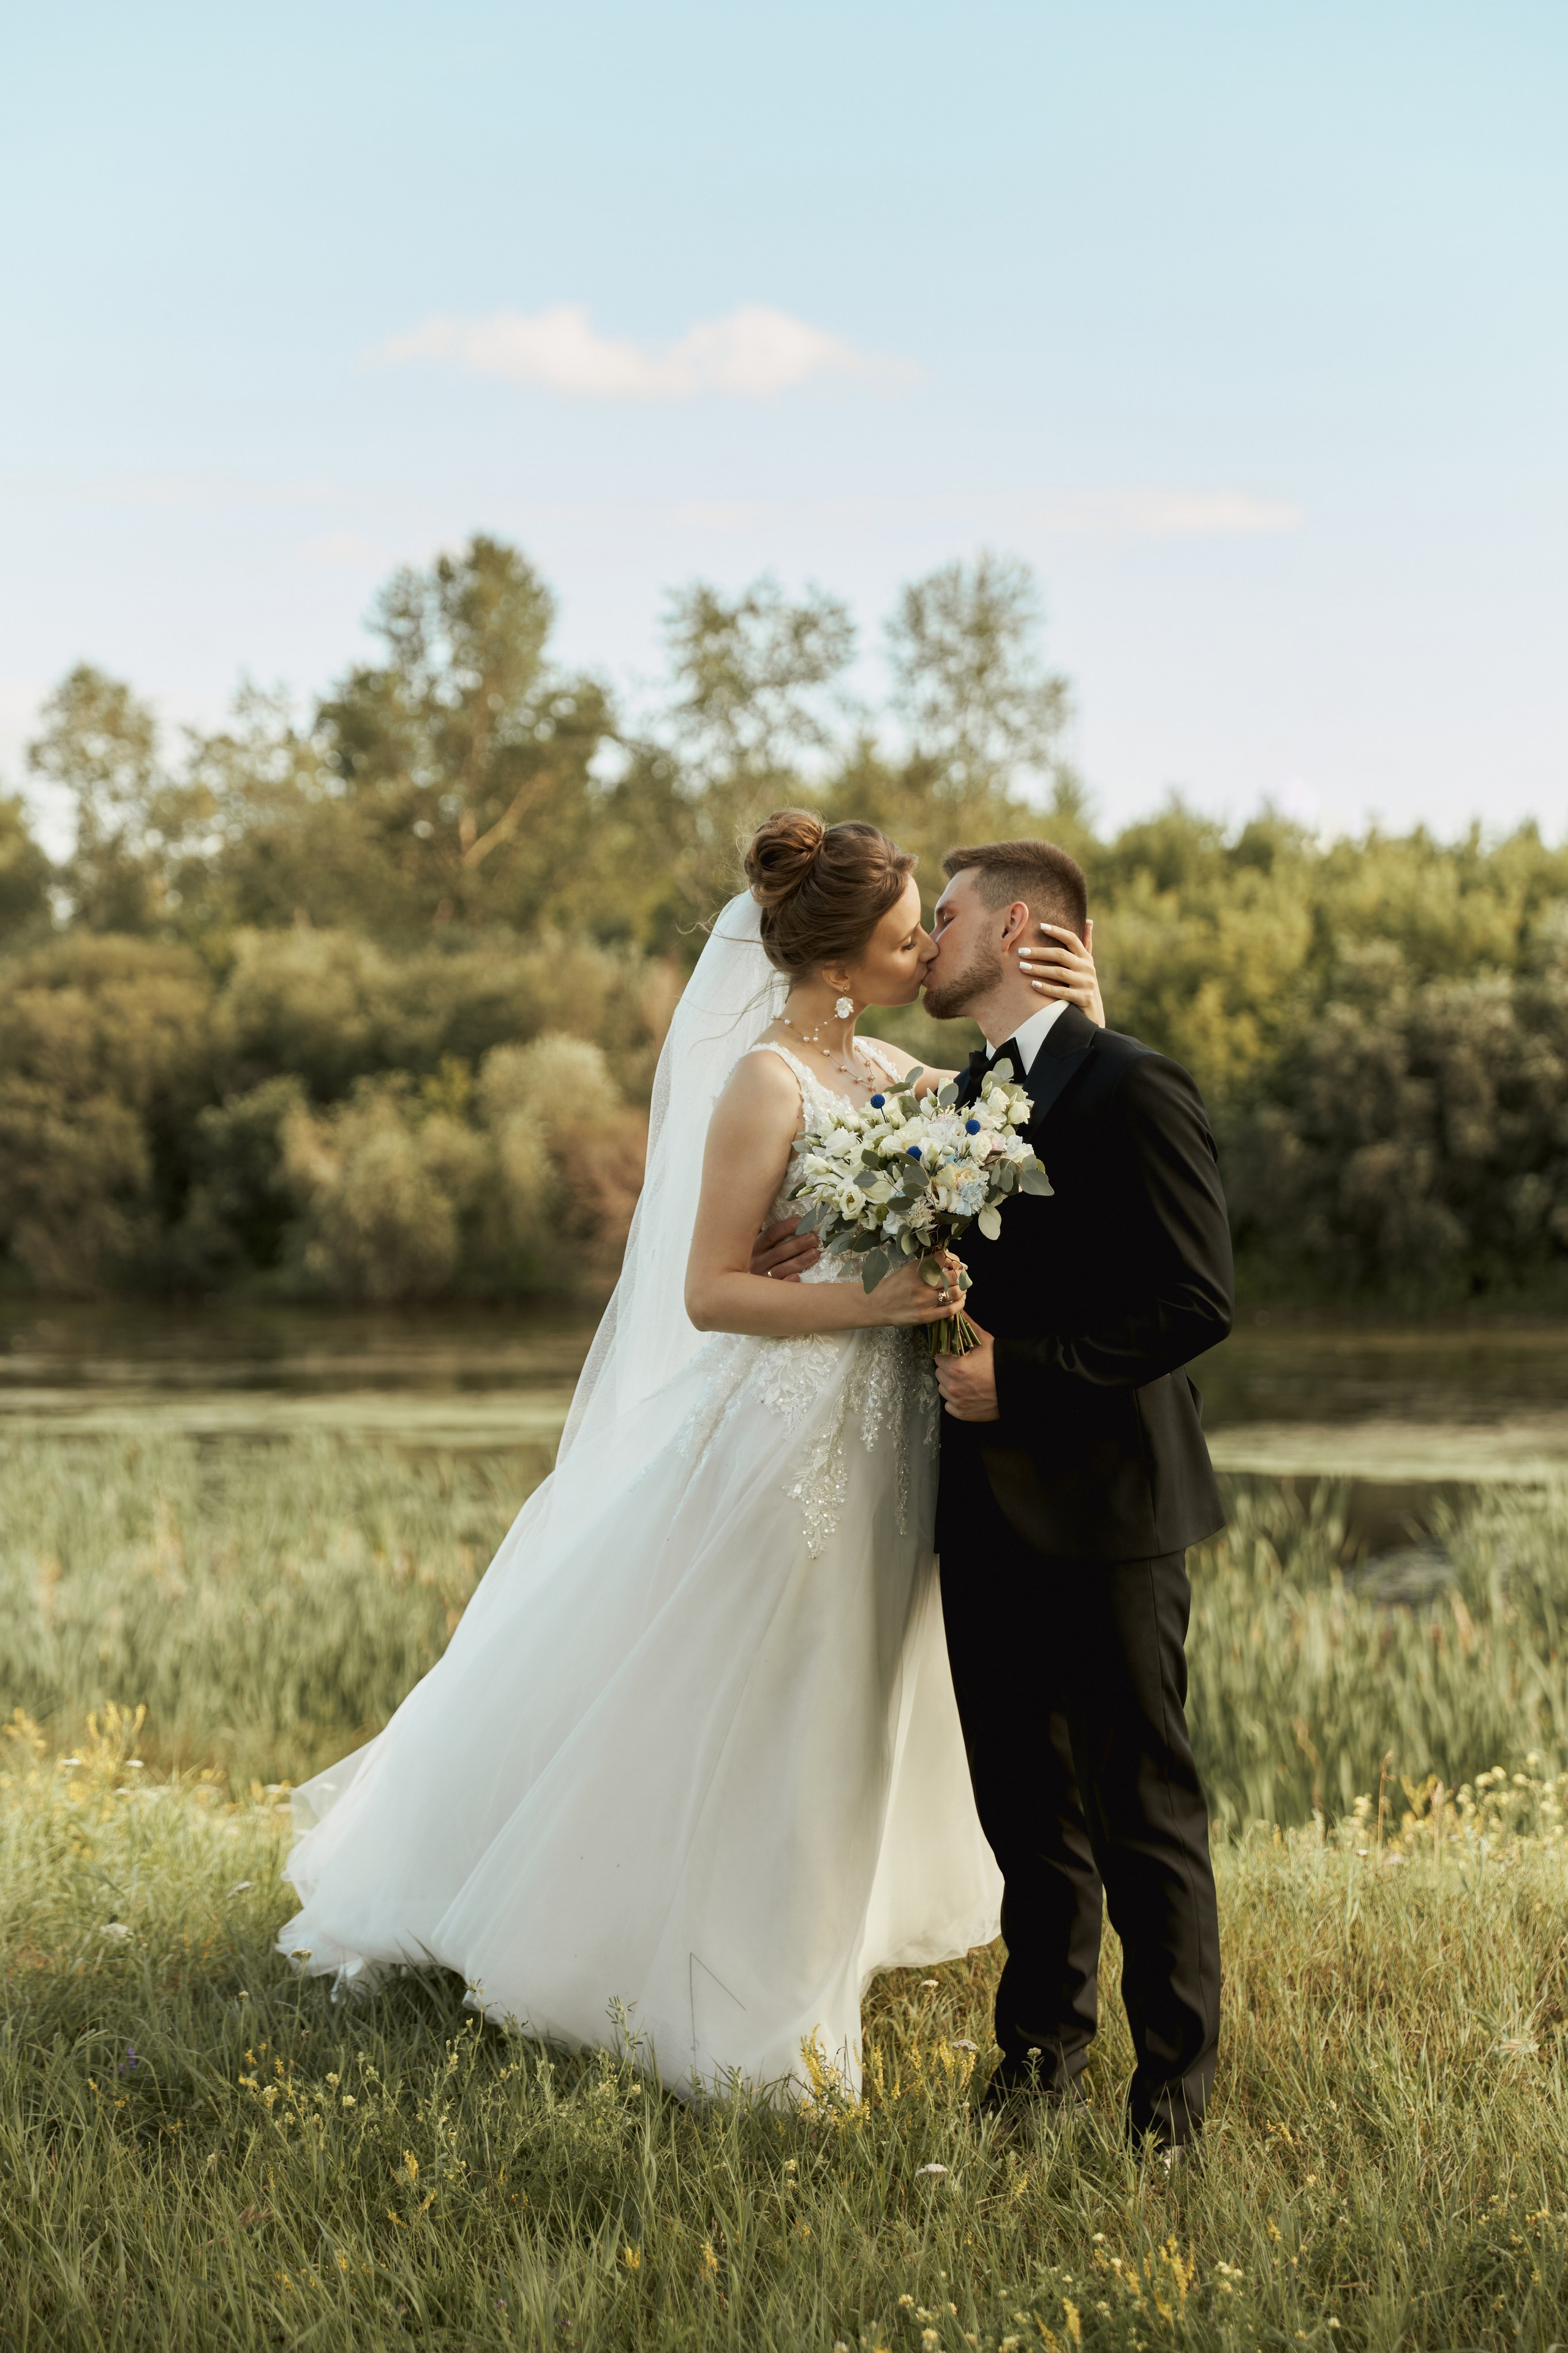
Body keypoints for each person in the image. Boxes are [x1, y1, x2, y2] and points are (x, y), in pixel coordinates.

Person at [277, 814, 1097, 2101]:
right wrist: (866, 1302)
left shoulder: (891, 1070)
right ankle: (750, 2004)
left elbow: (1040, 1114)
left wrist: (1082, 1006)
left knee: (857, 1687)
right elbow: (712, 1291)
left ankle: (813, 1931)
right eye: (901, 933)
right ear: (838, 960)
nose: (922, 948)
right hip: (791, 1433)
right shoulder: (765, 1083)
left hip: (895, 1436)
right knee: (783, 1692)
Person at [758, 837, 1232, 2159]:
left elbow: (1195, 1301)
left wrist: (1019, 1378)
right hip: (978, 1513)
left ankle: (1172, 2108)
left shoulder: (1132, 1085)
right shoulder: (955, 1096)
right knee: (1026, 1813)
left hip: (1111, 1511)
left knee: (1142, 1811)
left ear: (1014, 926)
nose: (924, 939)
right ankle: (1035, 2072)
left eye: (945, 915)